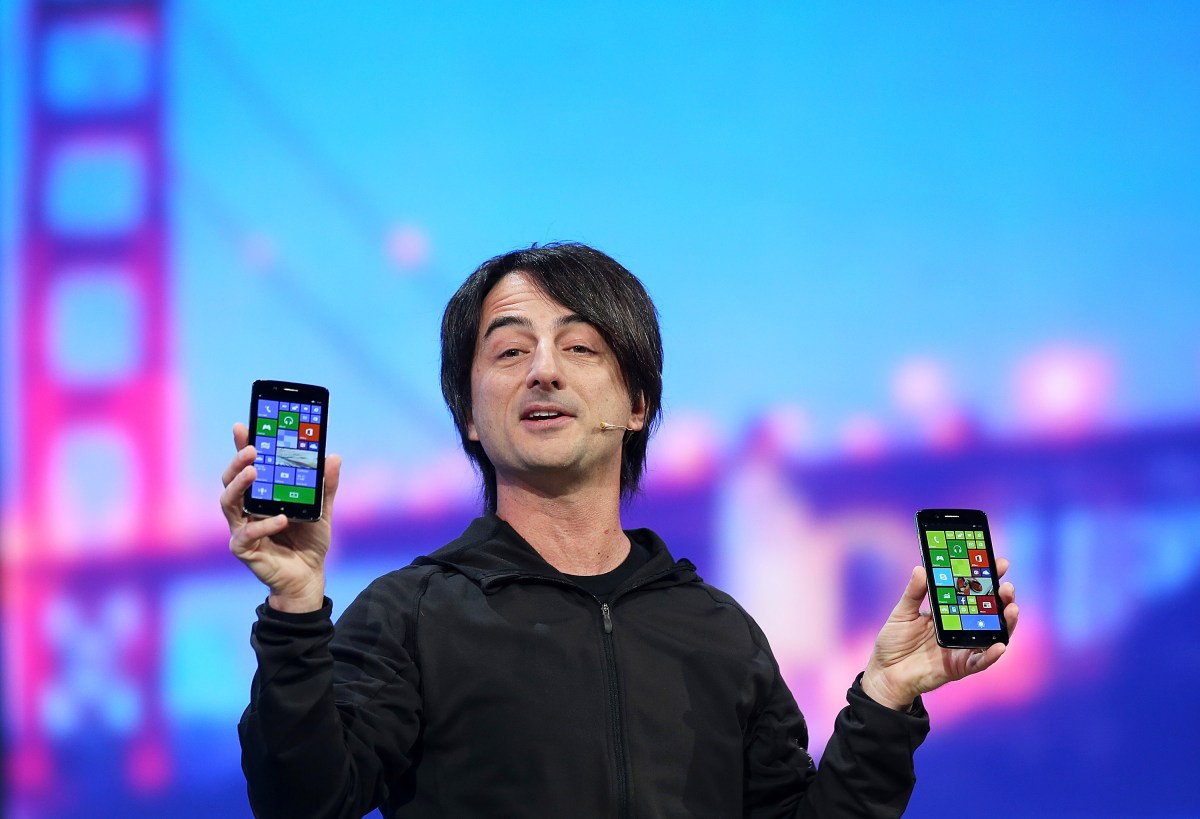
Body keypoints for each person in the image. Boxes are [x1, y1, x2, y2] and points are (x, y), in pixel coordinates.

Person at [220, 243, 1019, 818]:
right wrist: (294, 612)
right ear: (468, 416)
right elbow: (304, 803)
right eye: (508, 350)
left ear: (637, 404)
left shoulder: (719, 631)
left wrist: (885, 697)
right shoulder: (408, 614)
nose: (543, 370)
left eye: (580, 346)